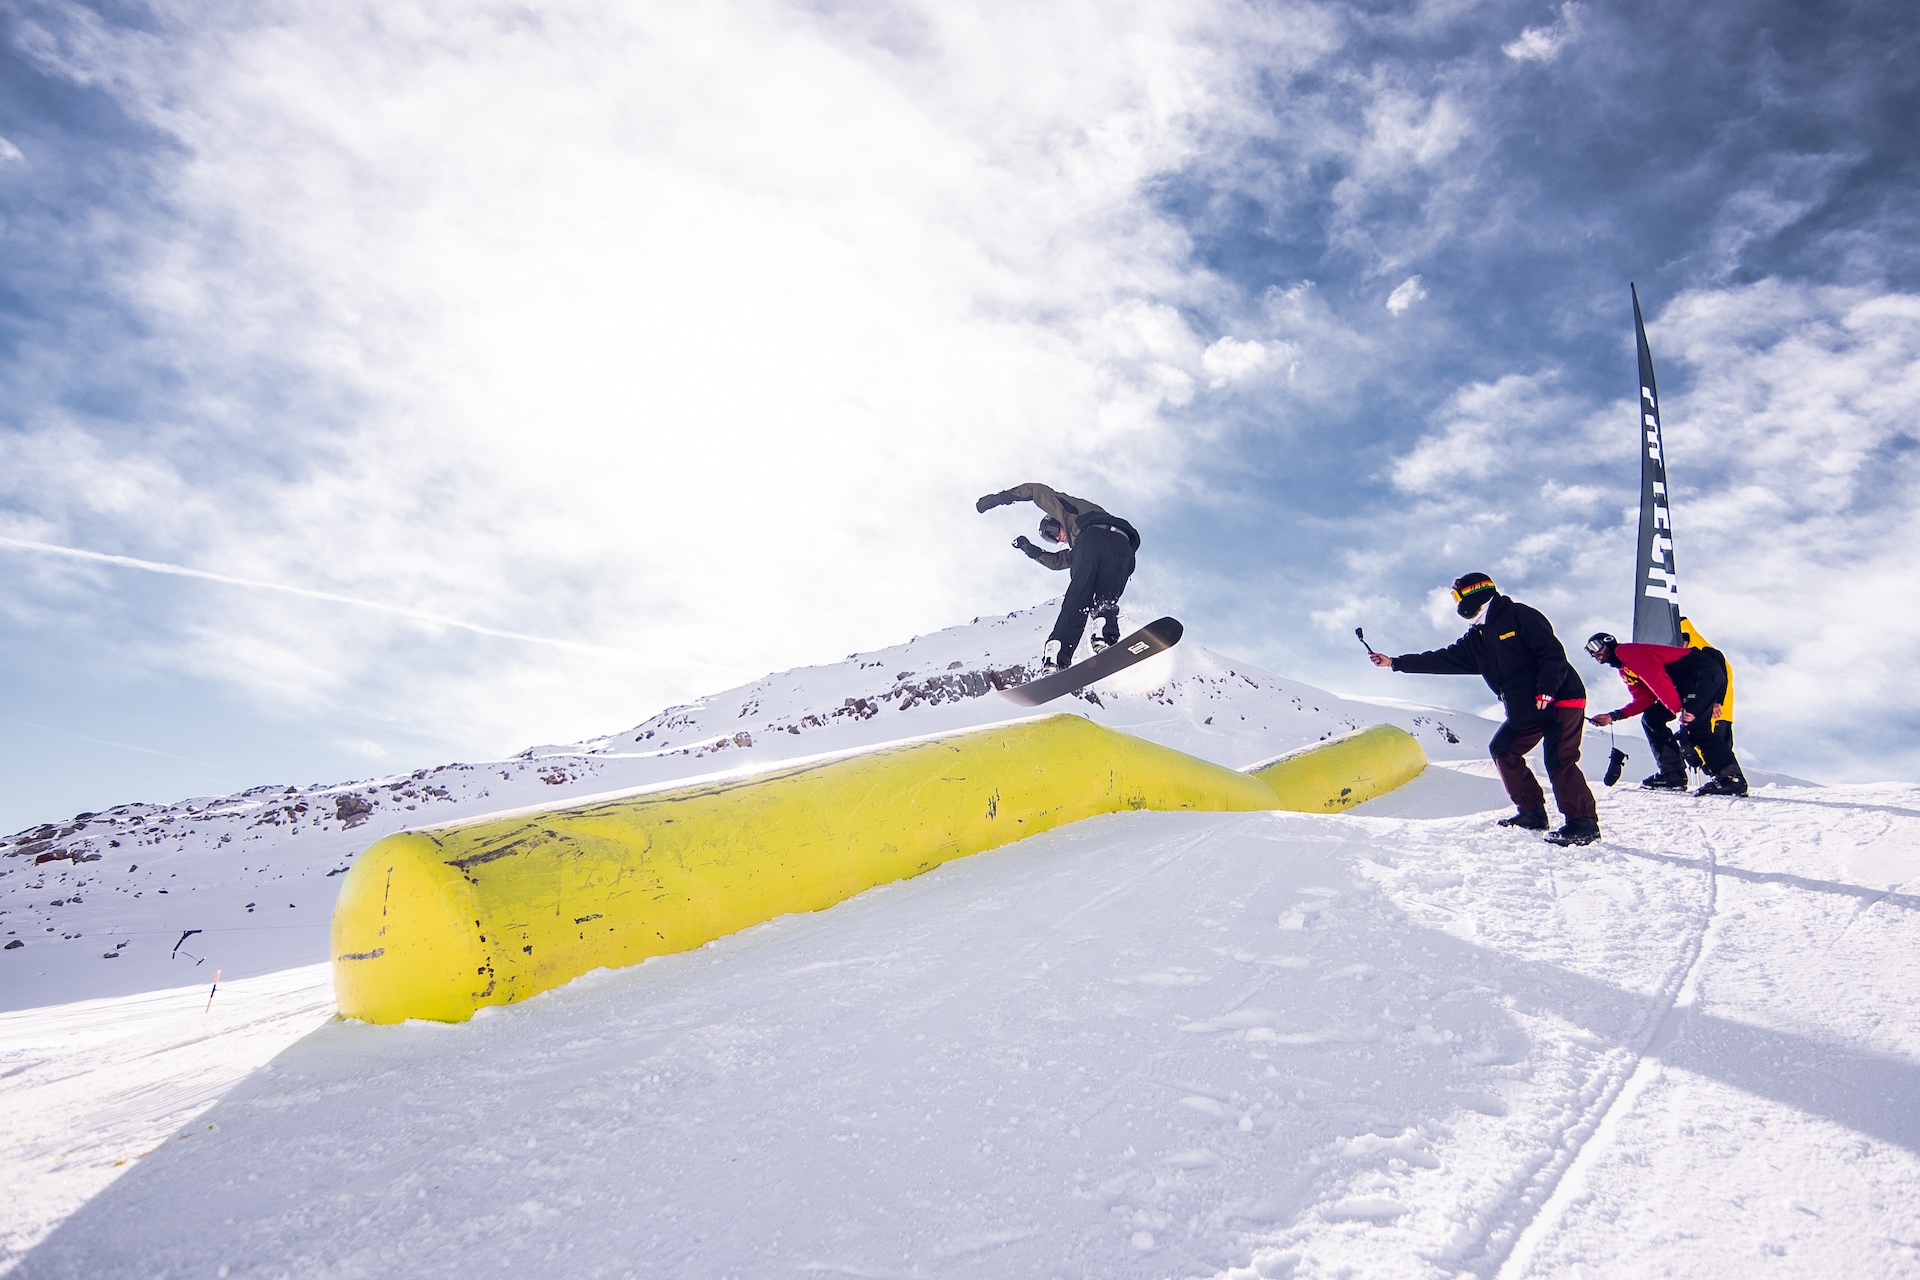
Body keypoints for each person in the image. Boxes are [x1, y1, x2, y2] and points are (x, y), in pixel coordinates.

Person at [1369, 573, 1600, 846]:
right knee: (1503, 748)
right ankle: (1532, 813)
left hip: (1560, 696)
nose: (1456, 603)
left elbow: (1552, 653)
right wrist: (1395, 663)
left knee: (1559, 757)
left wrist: (1547, 688)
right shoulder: (1477, 638)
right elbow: (1443, 658)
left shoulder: (1518, 615)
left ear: (1474, 593)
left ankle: (1583, 823)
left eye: (1457, 596)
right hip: (1526, 706)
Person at [976, 483, 1140, 673]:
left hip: (1092, 537)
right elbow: (1057, 561)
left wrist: (1001, 498)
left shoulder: (1072, 510)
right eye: (1052, 539)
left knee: (1078, 597)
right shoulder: (1075, 546)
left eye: (1053, 532)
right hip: (1123, 546)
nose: (1058, 539)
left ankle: (1057, 653)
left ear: (1056, 520)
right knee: (1106, 598)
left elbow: (1036, 491)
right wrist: (1030, 550)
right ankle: (1103, 632)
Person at [1583, 630, 1747, 797]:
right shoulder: (1625, 670)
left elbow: (1657, 679)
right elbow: (1644, 699)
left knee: (1694, 726)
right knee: (1652, 718)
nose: (1594, 653)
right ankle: (1673, 775)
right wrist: (1613, 716)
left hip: (1700, 673)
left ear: (1609, 641)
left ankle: (1731, 779)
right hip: (1687, 682)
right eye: (1589, 651)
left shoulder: (1626, 651)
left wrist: (1678, 709)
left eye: (1596, 646)